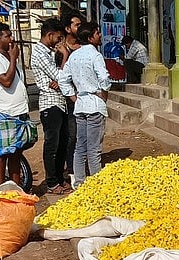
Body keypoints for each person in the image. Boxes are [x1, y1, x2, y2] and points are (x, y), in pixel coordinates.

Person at [58, 21, 112, 189]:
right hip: (94, 105)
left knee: (80, 147)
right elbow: (104, 78)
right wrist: (103, 94)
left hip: (80, 105)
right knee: (94, 149)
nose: (100, 35)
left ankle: (79, 182)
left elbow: (62, 79)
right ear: (90, 37)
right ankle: (97, 183)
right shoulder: (95, 55)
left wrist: (74, 97)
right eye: (97, 33)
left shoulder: (74, 56)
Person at [0, 22, 32, 187]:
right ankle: (0, 188)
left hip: (18, 111)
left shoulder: (10, 57)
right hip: (4, 112)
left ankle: (16, 188)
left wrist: (12, 59)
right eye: (7, 36)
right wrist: (13, 59)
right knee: (1, 153)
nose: (11, 39)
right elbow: (6, 81)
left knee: (16, 151)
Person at [31, 18, 71, 195]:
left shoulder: (49, 52)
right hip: (50, 103)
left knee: (63, 142)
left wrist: (59, 80)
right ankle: (52, 182)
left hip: (59, 102)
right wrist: (66, 57)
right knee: (52, 145)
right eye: (58, 37)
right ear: (49, 35)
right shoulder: (39, 53)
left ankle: (59, 179)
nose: (60, 42)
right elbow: (59, 76)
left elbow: (59, 80)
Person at [60, 12, 83, 181]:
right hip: (66, 99)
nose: (79, 28)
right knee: (71, 135)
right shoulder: (60, 49)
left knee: (83, 135)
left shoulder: (85, 47)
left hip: (82, 97)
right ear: (68, 29)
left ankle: (80, 166)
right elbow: (58, 76)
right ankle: (71, 169)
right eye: (77, 25)